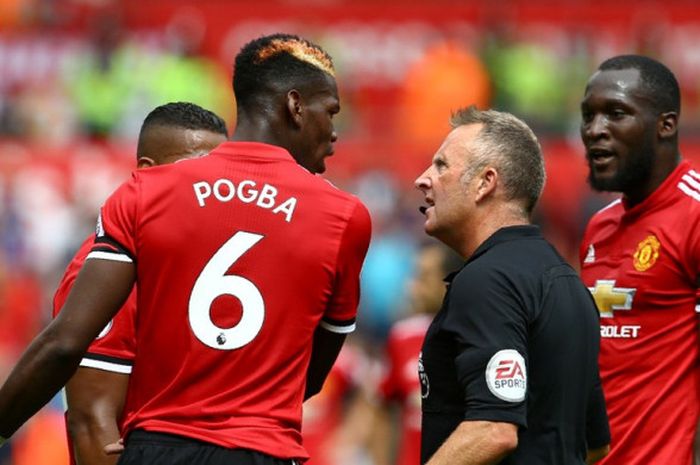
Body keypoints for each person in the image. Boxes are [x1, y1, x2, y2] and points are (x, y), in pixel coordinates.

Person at [0, 32, 372, 465]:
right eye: (331, 113)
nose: (334, 133)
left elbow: (64, 344)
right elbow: (308, 376)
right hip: (262, 450)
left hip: (157, 447)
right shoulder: (343, 216)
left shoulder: (144, 194)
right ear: (295, 106)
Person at [414, 106, 610, 465]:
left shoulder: (487, 280)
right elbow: (595, 443)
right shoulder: (571, 285)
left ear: (485, 183)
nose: (423, 179)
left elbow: (493, 428)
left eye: (441, 166)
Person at [52, 101, 228, 465]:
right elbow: (92, 419)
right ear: (147, 174)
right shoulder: (107, 271)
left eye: (219, 176)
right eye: (192, 173)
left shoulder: (222, 261)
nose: (208, 189)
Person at [579, 55, 700, 465]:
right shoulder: (599, 228)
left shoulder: (695, 215)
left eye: (616, 113)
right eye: (588, 116)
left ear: (666, 124)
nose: (596, 131)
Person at [370, 242, 461, 465]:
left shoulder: (480, 340)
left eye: (424, 277)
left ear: (451, 282)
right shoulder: (402, 337)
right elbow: (381, 406)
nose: (412, 287)